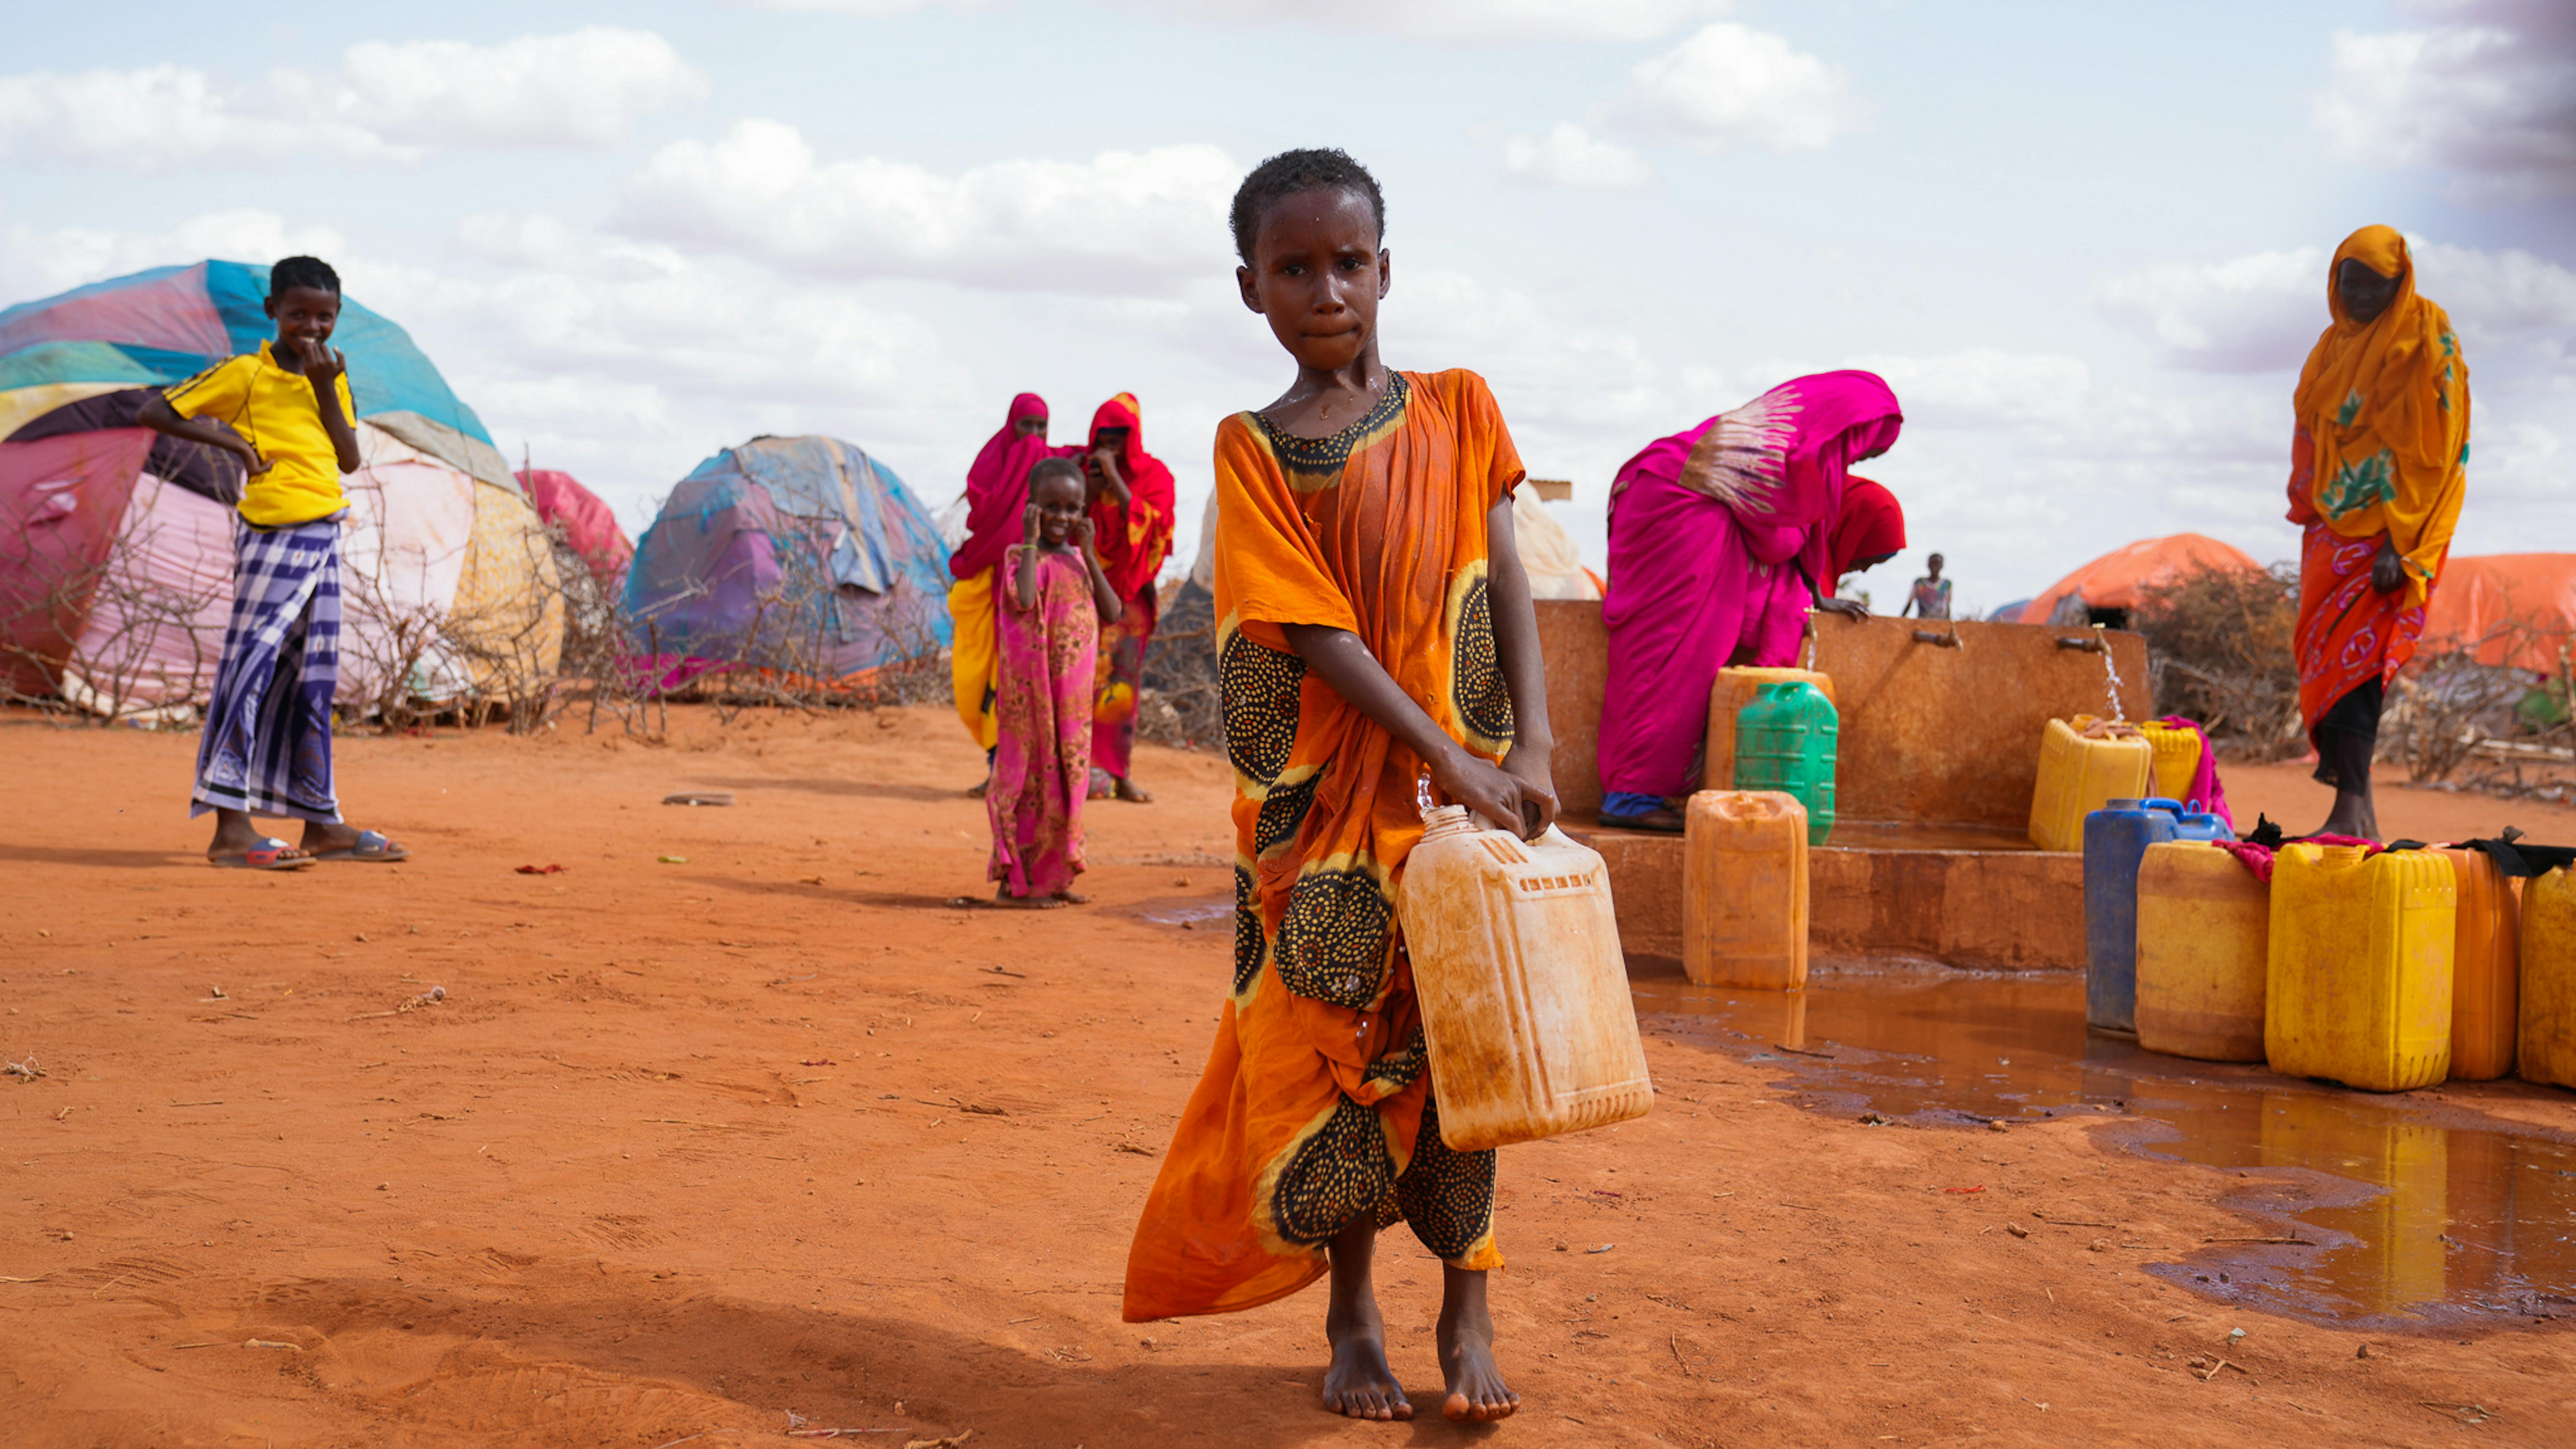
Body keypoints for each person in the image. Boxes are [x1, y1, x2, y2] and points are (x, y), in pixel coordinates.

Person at [1122, 147, 1549, 1426]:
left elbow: (1505, 576)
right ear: (1249, 288)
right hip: (1323, 808)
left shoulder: (1461, 410)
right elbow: (1311, 633)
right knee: (1337, 1049)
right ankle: (1352, 1314)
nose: (1326, 290)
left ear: (1385, 271)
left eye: (1347, 263)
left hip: (1464, 791)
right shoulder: (1252, 448)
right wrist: (1451, 759)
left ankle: (1465, 1306)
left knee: (1469, 1042)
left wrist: (1526, 745)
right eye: (1292, 268)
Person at [136, 255, 407, 870]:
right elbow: (156, 412)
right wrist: (231, 441)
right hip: (272, 535)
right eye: (299, 314)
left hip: (324, 533)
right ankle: (231, 829)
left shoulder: (331, 373)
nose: (311, 327)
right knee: (250, 668)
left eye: (325, 316)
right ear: (273, 313)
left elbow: (348, 459)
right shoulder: (245, 374)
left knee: (312, 679)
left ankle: (321, 822)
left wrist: (321, 387)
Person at [1594, 374, 1904, 831]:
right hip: (1677, 509)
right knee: (1673, 657)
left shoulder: (1770, 442)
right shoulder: (1768, 456)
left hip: (1658, 489)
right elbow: (1775, 542)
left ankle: (1638, 791)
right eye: (1866, 450)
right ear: (1847, 431)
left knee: (1671, 656)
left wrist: (1814, 588)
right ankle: (1631, 797)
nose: (1859, 461)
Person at [2288, 224, 2469, 839]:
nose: (2363, 295)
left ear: (2401, 282)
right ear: (2334, 282)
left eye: (2376, 284)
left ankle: (2347, 812)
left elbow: (2435, 451)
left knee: (2358, 667)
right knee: (2323, 659)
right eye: (2351, 282)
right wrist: (2312, 510)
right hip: (2332, 531)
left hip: (2389, 534)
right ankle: (2359, 815)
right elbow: (2311, 430)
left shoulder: (2425, 335)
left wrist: (2401, 538)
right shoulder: (2332, 345)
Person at [985, 457, 1122, 907]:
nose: (1061, 517)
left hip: (1074, 702)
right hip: (1033, 696)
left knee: (1068, 780)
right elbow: (1024, 598)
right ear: (1032, 508)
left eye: (1071, 507)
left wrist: (1091, 554)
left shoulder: (1080, 561)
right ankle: (1016, 883)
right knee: (1027, 784)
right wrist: (1028, 541)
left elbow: (1114, 611)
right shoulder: (1021, 557)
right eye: (1051, 507)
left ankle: (1055, 878)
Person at [948, 394, 1068, 787]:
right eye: (1026, 427)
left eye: (1041, 429)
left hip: (1039, 594)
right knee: (986, 682)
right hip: (990, 586)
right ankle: (997, 767)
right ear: (1010, 426)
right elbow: (983, 515)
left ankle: (1025, 776)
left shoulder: (1058, 469)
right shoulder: (989, 469)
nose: (1033, 439)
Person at [1078, 393, 1177, 803]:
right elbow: (1066, 524)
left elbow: (1156, 528)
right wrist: (1090, 486)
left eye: (1122, 435)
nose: (1113, 443)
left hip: (1130, 600)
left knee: (1121, 689)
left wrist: (1117, 482)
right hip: (1082, 593)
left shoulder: (1155, 475)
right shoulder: (1080, 473)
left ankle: (1118, 772)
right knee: (1077, 682)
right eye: (1106, 435)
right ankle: (1073, 768)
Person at [1902, 552, 1953, 620]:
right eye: (1933, 564)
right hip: (1922, 622)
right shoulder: (1919, 583)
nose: (1935, 567)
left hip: (1941, 623)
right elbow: (1910, 603)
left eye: (1937, 564)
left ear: (1942, 566)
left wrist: (1949, 622)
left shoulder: (1947, 584)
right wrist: (1901, 619)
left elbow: (1947, 605)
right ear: (1928, 565)